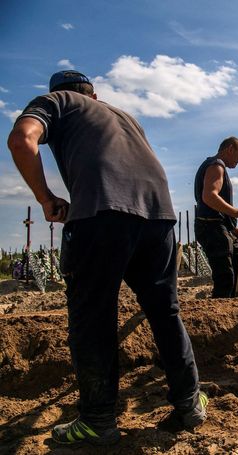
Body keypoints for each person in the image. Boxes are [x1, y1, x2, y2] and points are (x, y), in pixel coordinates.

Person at [7, 70, 206, 446]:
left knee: (93, 317)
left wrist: (46, 198)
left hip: (101, 214)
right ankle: (190, 402)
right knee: (165, 311)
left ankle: (97, 419)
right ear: (94, 95)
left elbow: (21, 140)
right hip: (159, 215)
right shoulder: (125, 117)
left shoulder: (57, 102)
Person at [194, 137, 238, 298]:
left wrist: (231, 227)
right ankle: (219, 309)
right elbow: (209, 197)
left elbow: (212, 205)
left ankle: (230, 303)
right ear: (229, 149)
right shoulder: (216, 166)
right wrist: (237, 212)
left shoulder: (215, 165)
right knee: (225, 277)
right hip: (211, 228)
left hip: (219, 227)